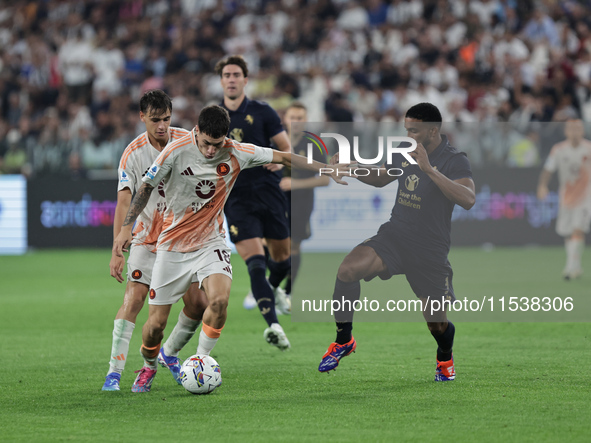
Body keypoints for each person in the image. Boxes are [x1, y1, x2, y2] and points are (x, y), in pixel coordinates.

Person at [112, 105, 343, 392]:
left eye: (217, 144)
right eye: (207, 143)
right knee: (155, 326)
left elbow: (284, 156)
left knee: (219, 302)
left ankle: (200, 360)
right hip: (171, 246)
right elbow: (145, 187)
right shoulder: (175, 151)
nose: (211, 151)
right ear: (197, 132)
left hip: (211, 242)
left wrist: (327, 167)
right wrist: (126, 226)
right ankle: (148, 365)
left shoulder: (237, 151)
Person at [318, 102, 475, 382]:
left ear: (433, 131)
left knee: (437, 325)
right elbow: (381, 178)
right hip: (396, 236)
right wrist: (351, 168)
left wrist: (429, 169)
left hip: (430, 250)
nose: (409, 135)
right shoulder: (404, 152)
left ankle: (444, 357)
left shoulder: (454, 159)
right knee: (348, 269)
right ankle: (344, 340)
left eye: (414, 130)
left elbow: (468, 199)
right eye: (407, 130)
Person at [102, 89, 208, 391]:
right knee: (134, 298)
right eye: (155, 120)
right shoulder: (133, 153)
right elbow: (124, 200)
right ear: (142, 117)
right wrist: (119, 240)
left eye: (166, 119)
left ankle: (169, 352)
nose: (162, 126)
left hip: (182, 238)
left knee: (199, 304)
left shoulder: (188, 141)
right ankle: (115, 372)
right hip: (147, 239)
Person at [215, 55, 293, 350]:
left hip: (268, 192)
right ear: (221, 81)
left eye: (236, 74)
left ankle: (274, 290)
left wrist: (280, 163)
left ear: (245, 80)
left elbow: (285, 149)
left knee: (283, 261)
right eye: (227, 75)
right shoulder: (213, 116)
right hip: (236, 199)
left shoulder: (263, 112)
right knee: (255, 264)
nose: (232, 79)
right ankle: (273, 325)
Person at [279, 102, 330, 296]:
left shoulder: (313, 145)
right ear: (285, 119)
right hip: (277, 200)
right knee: (267, 241)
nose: (296, 122)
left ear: (306, 120)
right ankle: (268, 283)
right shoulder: (276, 141)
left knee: (294, 245)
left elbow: (326, 179)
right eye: (293, 117)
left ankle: (287, 292)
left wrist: (295, 184)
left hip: (301, 202)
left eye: (300, 118)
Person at [537, 119, 591, 280]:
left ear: (583, 131)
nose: (575, 132)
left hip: (586, 197)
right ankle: (576, 265)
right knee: (567, 232)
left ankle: (569, 267)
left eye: (578, 128)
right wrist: (542, 186)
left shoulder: (589, 148)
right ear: (566, 131)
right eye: (571, 129)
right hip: (566, 197)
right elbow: (548, 170)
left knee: (577, 229)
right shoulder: (559, 150)